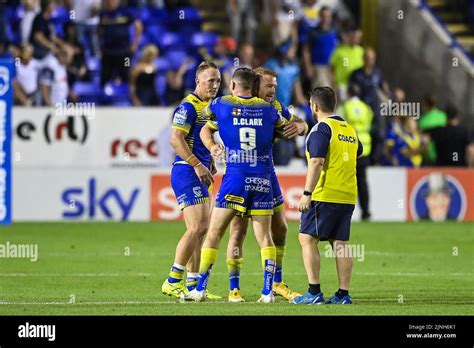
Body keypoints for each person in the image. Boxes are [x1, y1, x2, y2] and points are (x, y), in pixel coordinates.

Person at [185, 67, 289, 303]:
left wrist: (212, 147)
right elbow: (285, 129)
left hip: (235, 177)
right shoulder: (269, 109)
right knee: (265, 237)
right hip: (262, 178)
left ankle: (200, 288)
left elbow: (204, 128)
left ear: (233, 85)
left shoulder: (220, 104)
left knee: (214, 233)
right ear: (254, 87)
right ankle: (267, 292)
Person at [224, 67, 308, 302]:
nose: (274, 91)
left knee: (280, 228)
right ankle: (234, 287)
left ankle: (277, 283)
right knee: (238, 230)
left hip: (267, 173)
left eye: (275, 86)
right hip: (241, 173)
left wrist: (300, 127)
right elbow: (209, 128)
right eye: (269, 86)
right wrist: (212, 147)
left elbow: (302, 124)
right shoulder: (235, 105)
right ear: (256, 85)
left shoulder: (275, 108)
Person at [294, 86, 363, 305]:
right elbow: (358, 151)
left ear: (314, 106)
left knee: (306, 238)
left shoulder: (321, 129)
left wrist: (307, 193)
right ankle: (343, 294)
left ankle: (314, 292)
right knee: (340, 243)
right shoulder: (349, 129)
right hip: (348, 195)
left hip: (325, 195)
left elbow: (316, 161)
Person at [161, 61, 222, 300]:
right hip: (187, 170)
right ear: (198, 81)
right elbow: (175, 139)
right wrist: (197, 163)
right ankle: (172, 280)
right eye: (210, 81)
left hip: (200, 170)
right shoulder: (189, 107)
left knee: (199, 230)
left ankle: (194, 286)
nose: (215, 85)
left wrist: (208, 161)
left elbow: (200, 138)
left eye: (218, 81)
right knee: (198, 228)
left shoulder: (208, 107)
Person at [340, 84, 373, 220]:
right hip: (365, 147)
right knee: (363, 181)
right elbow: (370, 124)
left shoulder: (346, 107)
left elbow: (340, 125)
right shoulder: (366, 108)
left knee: (345, 180)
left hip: (350, 147)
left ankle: (344, 213)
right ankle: (366, 212)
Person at [98, 0, 143, 86]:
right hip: (108, 53)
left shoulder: (125, 11)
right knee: (104, 78)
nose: (110, 2)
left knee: (126, 75)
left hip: (124, 53)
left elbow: (138, 26)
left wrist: (135, 44)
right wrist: (100, 44)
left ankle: (127, 97)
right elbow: (99, 31)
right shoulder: (103, 14)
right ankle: (104, 97)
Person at [303, 6, 338, 88]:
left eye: (328, 16)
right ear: (320, 17)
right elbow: (306, 51)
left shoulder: (334, 31)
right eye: (324, 16)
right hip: (319, 68)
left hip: (332, 68)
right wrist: (308, 67)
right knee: (321, 93)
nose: (326, 19)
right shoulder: (313, 32)